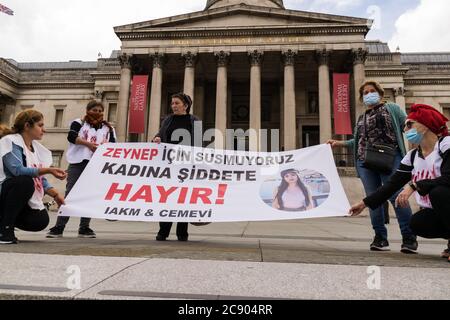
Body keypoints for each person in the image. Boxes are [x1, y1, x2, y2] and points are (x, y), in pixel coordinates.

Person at [350, 104, 450, 262]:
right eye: (405, 126)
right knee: (417, 223)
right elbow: (391, 185)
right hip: (441, 206)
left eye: (410, 124)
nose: (405, 129)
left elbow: (448, 178)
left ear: (425, 126)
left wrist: (414, 185)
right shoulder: (412, 156)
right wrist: (364, 204)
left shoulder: (445, 145)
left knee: (439, 193)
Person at [328, 80, 417, 253]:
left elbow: (408, 126)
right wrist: (340, 143)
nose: (369, 94)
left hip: (389, 157)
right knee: (373, 199)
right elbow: (360, 141)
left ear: (380, 93)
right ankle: (380, 238)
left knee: (396, 197)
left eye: (372, 91)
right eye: (365, 92)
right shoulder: (362, 118)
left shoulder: (392, 108)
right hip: (364, 161)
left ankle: (409, 238)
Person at [47, 100, 116, 239]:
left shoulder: (109, 128)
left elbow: (113, 145)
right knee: (70, 194)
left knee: (90, 195)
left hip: (96, 164)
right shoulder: (78, 122)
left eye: (100, 111)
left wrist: (104, 146)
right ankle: (59, 227)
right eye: (94, 110)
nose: (97, 113)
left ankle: (84, 227)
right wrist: (88, 144)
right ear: (88, 110)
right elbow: (71, 137)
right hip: (78, 162)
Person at [0, 110, 67, 244]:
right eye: (40, 125)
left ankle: (6, 221)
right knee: (24, 182)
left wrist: (54, 194)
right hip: (5, 190)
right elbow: (18, 171)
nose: (44, 129)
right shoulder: (10, 142)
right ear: (27, 126)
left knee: (40, 221)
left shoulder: (34, 148)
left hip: (17, 191)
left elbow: (38, 178)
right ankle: (4, 230)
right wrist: (48, 169)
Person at [152, 93, 201, 242]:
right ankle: (163, 231)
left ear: (185, 105)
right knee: (166, 197)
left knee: (183, 198)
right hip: (169, 164)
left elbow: (198, 143)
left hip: (186, 165)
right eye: (172, 103)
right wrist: (156, 139)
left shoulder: (195, 120)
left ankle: (182, 232)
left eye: (176, 103)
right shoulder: (168, 120)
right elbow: (159, 135)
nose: (173, 106)